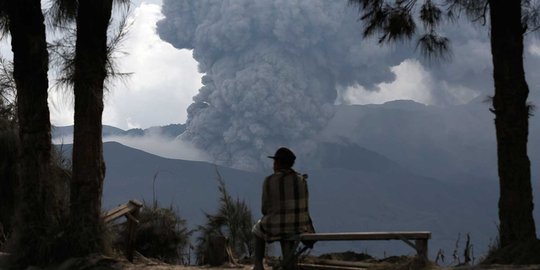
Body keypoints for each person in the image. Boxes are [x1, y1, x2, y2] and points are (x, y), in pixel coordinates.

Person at [252, 147, 315, 270]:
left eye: (274, 162)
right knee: (287, 228)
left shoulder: (269, 180)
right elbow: (305, 206)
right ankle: (288, 263)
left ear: (278, 163)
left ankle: (258, 265)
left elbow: (264, 208)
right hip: (300, 226)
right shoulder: (302, 180)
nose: (273, 165)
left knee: (256, 229)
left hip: (277, 226)